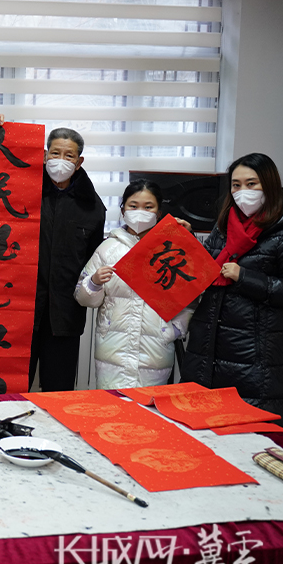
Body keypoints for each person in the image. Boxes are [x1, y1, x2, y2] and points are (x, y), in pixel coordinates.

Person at [182, 153, 283, 427]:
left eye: (251, 184)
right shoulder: (224, 225)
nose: (243, 192)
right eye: (236, 185)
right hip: (208, 348)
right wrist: (187, 240)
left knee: (248, 433)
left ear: (269, 184)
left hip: (254, 356)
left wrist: (245, 277)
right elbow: (207, 266)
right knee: (200, 431)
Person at [74, 179, 193, 389]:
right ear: (122, 211)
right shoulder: (108, 248)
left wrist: (174, 330)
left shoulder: (170, 248)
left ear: (158, 212)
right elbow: (82, 297)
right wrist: (93, 283)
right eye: (133, 206)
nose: (140, 212)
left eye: (148, 207)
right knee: (111, 404)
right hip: (113, 349)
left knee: (150, 406)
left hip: (155, 349)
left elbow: (191, 295)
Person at [26, 125, 106, 392]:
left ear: (79, 162)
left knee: (58, 392)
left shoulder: (92, 207)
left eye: (69, 155)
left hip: (65, 317)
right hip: (21, 311)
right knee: (12, 389)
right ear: (44, 155)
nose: (60, 160)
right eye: (55, 153)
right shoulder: (23, 193)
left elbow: (93, 262)